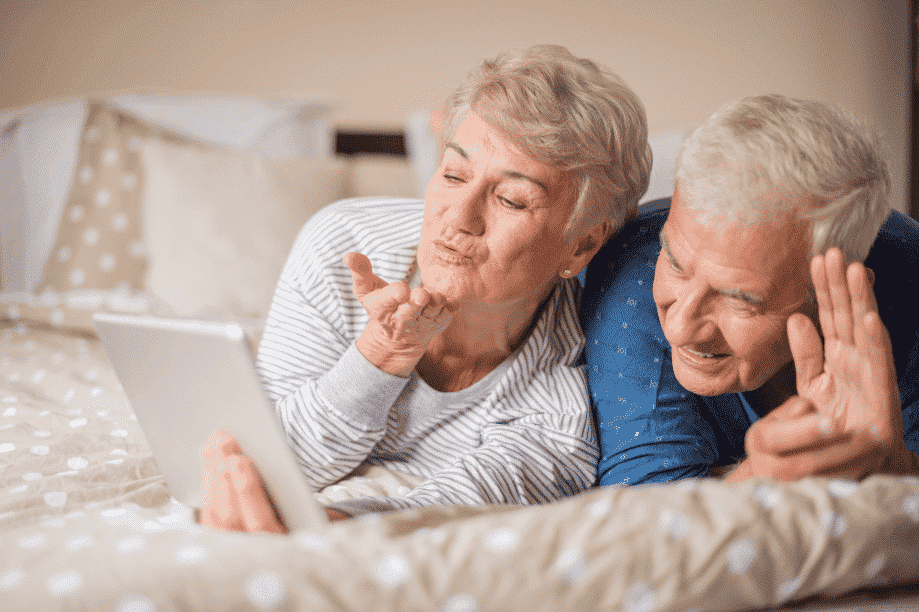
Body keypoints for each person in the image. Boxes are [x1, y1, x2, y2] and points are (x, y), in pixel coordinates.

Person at [201, 44, 653, 531]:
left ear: (581, 244)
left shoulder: (564, 404)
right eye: (454, 174)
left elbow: (436, 520)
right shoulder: (344, 245)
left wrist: (326, 528)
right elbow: (270, 466)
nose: (457, 217)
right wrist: (380, 355)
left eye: (512, 200)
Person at [582, 94, 919, 487]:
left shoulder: (908, 293)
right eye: (674, 261)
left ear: (834, 288)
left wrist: (894, 464)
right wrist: (759, 479)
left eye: (738, 298)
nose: (680, 327)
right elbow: (646, 525)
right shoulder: (629, 276)